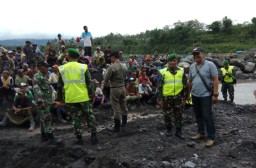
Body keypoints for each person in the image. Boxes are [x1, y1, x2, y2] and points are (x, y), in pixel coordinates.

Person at [57, 48, 98, 145]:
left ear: (68, 57)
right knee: (89, 116)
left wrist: (60, 99)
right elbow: (89, 82)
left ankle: (79, 139)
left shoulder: (62, 68)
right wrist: (91, 95)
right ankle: (94, 137)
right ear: (78, 57)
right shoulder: (83, 67)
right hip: (83, 97)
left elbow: (59, 86)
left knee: (75, 118)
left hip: (70, 98)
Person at [188, 47, 219, 147]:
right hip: (194, 95)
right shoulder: (192, 66)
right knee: (198, 115)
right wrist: (188, 94)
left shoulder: (210, 65)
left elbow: (215, 80)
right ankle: (201, 132)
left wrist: (215, 94)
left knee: (207, 116)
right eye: (194, 54)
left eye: (197, 53)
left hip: (206, 95)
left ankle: (211, 137)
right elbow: (190, 81)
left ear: (202, 54)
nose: (195, 56)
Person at [158, 53, 187, 139]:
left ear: (177, 61)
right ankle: (169, 130)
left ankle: (178, 131)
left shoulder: (181, 71)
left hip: (178, 97)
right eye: (171, 61)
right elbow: (160, 87)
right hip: (167, 97)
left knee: (179, 114)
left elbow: (184, 85)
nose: (173, 62)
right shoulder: (162, 72)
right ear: (168, 62)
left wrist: (184, 97)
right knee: (167, 114)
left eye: (174, 60)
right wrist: (160, 100)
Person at [101, 51, 128, 131]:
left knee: (116, 107)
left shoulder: (112, 67)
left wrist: (102, 87)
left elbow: (106, 79)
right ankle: (124, 122)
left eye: (111, 57)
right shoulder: (124, 66)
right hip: (122, 88)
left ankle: (117, 127)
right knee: (123, 105)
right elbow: (125, 76)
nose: (110, 59)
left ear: (113, 57)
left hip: (115, 88)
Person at [33, 61, 59, 142]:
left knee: (43, 119)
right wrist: (41, 102)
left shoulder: (44, 75)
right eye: (46, 67)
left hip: (47, 101)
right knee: (47, 118)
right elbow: (37, 90)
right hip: (43, 102)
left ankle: (44, 136)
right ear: (41, 67)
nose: (48, 69)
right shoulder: (37, 76)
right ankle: (50, 136)